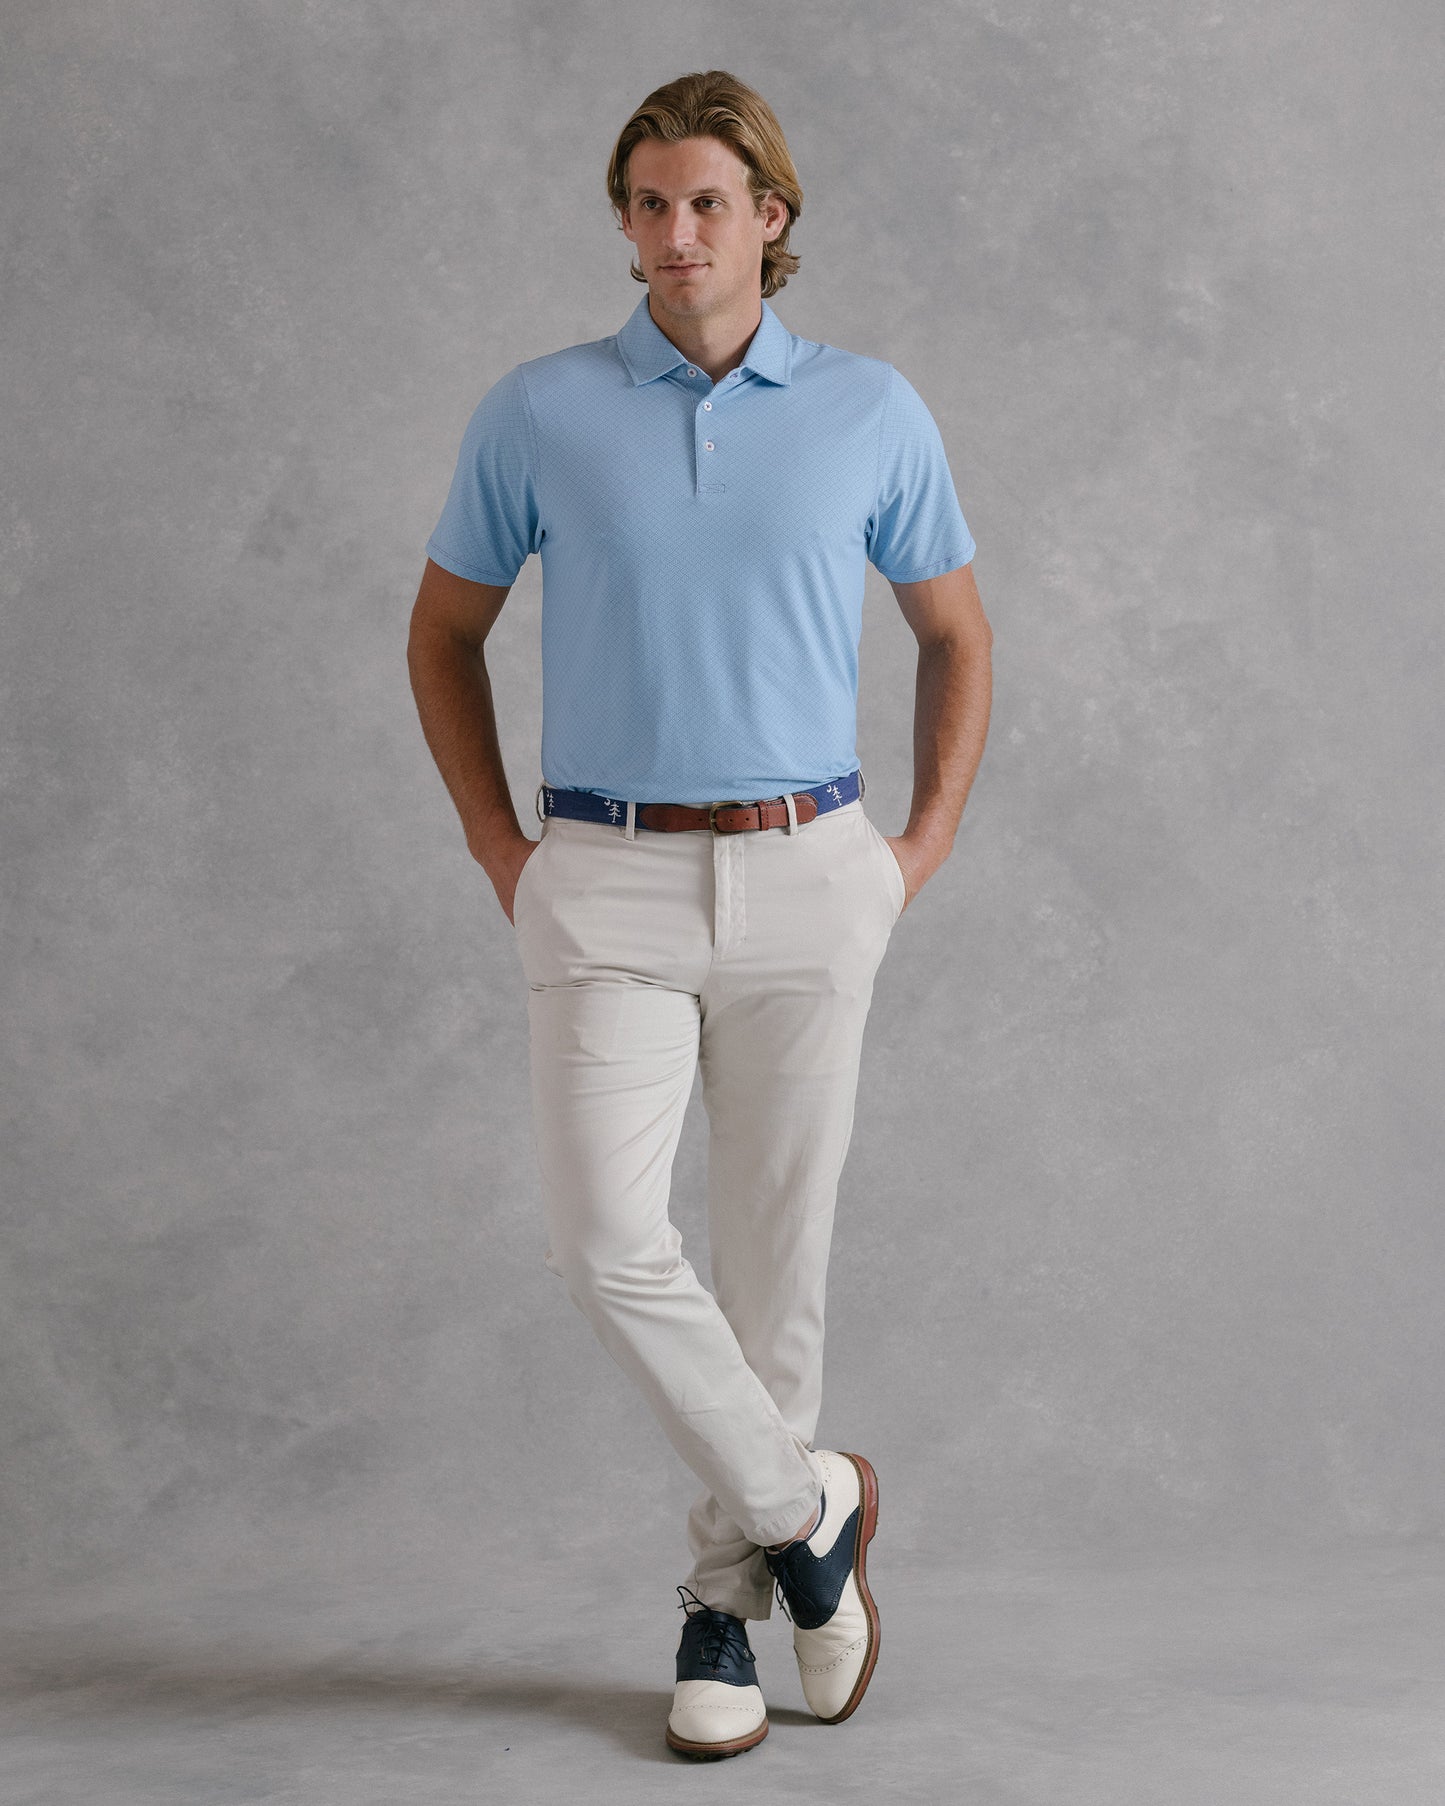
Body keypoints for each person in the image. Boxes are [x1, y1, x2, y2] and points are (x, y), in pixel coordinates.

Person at [407, 68, 992, 1761]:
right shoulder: (539, 410)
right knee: (604, 1237)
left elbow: (955, 632)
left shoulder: (871, 409)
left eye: (708, 204)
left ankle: (726, 1603)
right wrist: (501, 847)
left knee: (770, 1270)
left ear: (768, 218)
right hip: (603, 875)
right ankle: (813, 1506)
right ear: (624, 220)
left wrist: (913, 848)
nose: (676, 234)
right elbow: (441, 632)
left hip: (812, 870)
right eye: (650, 204)